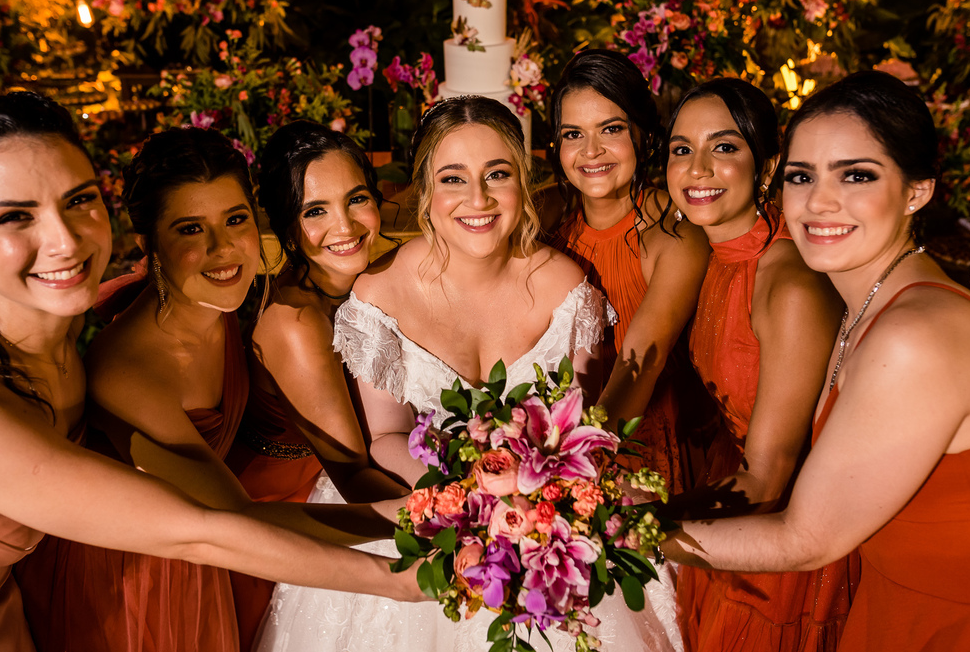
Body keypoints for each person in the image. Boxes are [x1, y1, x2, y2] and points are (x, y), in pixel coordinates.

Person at [0, 92, 422, 652]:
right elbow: (204, 528)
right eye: (15, 216)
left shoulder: (67, 346)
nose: (65, 241)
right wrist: (410, 574)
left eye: (79, 200)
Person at [658, 71, 970, 651]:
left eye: (856, 175)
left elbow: (806, 539)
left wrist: (622, 534)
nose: (819, 202)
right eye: (803, 177)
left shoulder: (915, 335)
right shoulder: (870, 297)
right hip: (898, 597)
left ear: (916, 191)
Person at [258, 96, 677, 651]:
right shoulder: (378, 294)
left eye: (497, 174)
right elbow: (382, 437)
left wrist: (539, 503)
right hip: (410, 507)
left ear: (523, 184)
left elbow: (583, 429)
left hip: (550, 529)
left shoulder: (567, 288)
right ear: (424, 192)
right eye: (453, 178)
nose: (477, 199)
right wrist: (469, 501)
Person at [14, 126, 274, 651]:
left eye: (235, 219)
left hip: (209, 549)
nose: (222, 248)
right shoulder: (126, 369)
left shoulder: (215, 303)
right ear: (149, 245)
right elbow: (236, 518)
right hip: (129, 583)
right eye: (189, 230)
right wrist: (404, 524)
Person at [661, 79, 857, 651]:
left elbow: (769, 480)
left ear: (768, 167)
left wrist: (624, 528)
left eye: (724, 148)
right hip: (727, 501)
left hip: (785, 537)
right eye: (681, 149)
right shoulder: (708, 253)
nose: (698, 168)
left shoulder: (790, 284)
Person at [227, 121, 410, 649]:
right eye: (315, 211)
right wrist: (465, 510)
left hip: (375, 476)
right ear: (288, 227)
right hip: (293, 501)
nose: (344, 225)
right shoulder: (297, 322)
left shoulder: (379, 281)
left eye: (357, 199)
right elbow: (352, 476)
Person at [548, 49, 712, 494]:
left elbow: (641, 363)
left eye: (612, 129)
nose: (591, 151)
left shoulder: (673, 232)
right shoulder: (552, 232)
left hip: (648, 447)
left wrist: (579, 463)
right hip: (568, 435)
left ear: (643, 135)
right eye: (573, 134)